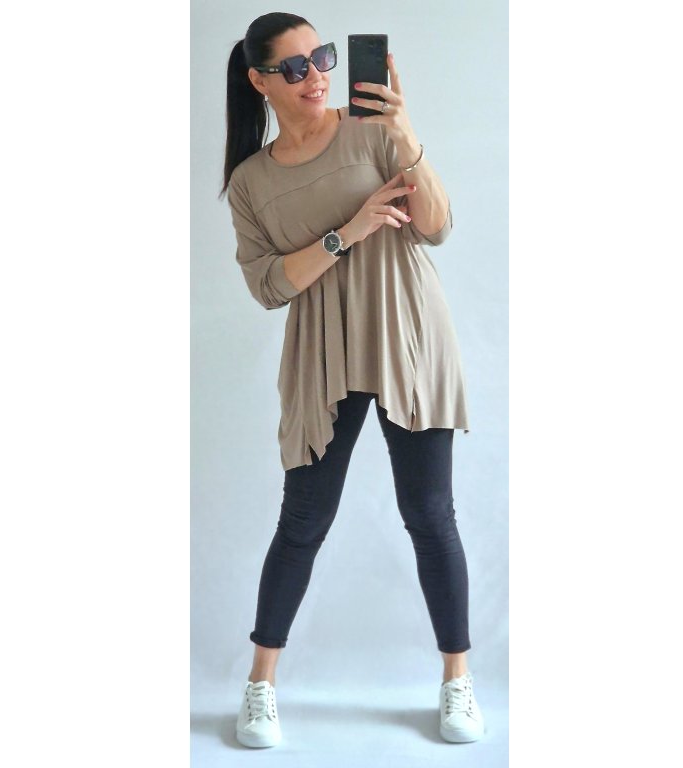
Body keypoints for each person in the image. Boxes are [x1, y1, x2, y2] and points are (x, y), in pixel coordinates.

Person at [222, 12, 484, 748]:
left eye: (322, 58)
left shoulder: (373, 130)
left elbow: (437, 226)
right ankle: (259, 686)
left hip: (408, 332)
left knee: (430, 515)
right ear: (260, 80)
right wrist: (349, 231)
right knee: (303, 521)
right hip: (322, 353)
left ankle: (457, 681)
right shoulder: (250, 182)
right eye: (294, 67)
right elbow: (268, 286)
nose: (316, 76)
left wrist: (406, 132)